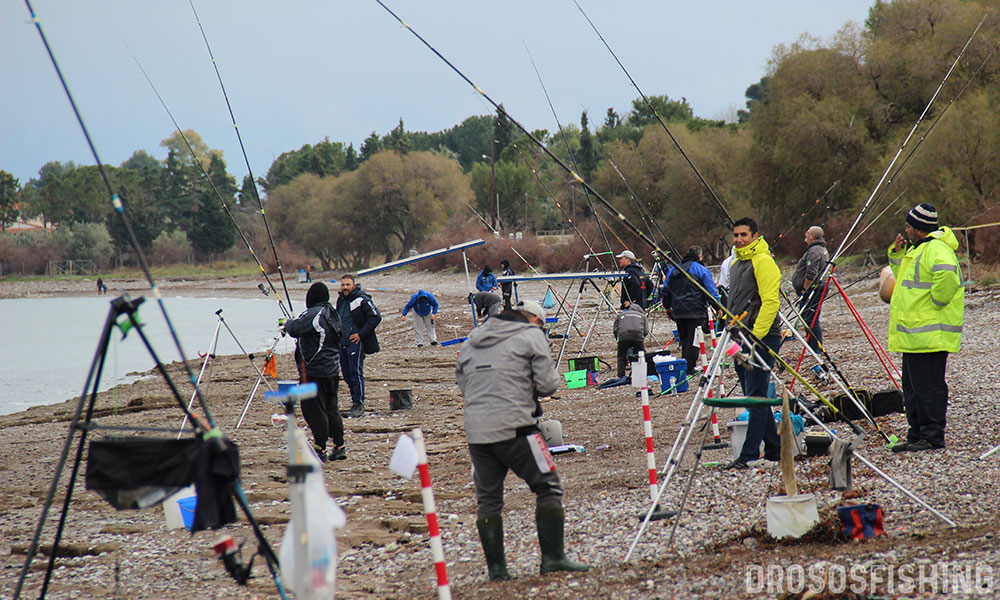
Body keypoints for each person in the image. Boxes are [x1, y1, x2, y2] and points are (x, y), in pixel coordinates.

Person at [456, 299, 589, 581]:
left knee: (488, 500)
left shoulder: (472, 340)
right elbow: (548, 385)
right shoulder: (532, 336)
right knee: (548, 485)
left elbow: (463, 384)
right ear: (535, 320)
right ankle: (552, 558)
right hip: (517, 425)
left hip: (477, 430)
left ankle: (497, 571)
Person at [887, 204, 964, 452]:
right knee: (911, 388)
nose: (906, 230)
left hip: (929, 335)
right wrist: (897, 256)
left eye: (909, 225)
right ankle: (917, 433)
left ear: (919, 228)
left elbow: (948, 277)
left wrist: (936, 302)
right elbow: (906, 280)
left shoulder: (936, 248)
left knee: (928, 388)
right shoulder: (919, 249)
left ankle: (932, 436)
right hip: (914, 336)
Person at [724, 217, 782, 470]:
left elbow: (771, 302)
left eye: (744, 235)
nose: (739, 239)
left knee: (757, 396)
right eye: (736, 235)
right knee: (752, 395)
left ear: (756, 235)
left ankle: (748, 455)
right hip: (738, 338)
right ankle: (775, 449)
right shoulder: (736, 264)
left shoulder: (764, 261)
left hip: (762, 337)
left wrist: (756, 337)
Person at [282, 282, 347, 461]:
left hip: (313, 371)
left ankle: (320, 449)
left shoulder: (314, 313)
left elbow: (295, 329)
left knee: (314, 409)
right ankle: (339, 446)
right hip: (332, 370)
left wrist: (287, 324)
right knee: (331, 408)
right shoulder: (333, 313)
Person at [661, 245, 720, 374]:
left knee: (684, 338)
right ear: (699, 256)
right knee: (694, 339)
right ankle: (689, 367)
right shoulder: (701, 270)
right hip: (696, 310)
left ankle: (684, 364)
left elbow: (665, 290)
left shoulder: (673, 270)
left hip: (678, 310)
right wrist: (718, 307)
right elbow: (711, 291)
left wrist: (667, 306)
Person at [336, 274, 381, 418]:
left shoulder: (362, 299)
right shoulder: (341, 300)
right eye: (343, 285)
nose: (345, 287)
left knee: (356, 373)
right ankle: (355, 401)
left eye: (348, 285)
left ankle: (359, 404)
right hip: (342, 343)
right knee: (347, 375)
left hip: (356, 342)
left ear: (354, 285)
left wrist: (361, 334)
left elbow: (376, 317)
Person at [791, 226, 829, 355]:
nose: (805, 234)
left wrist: (805, 290)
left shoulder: (814, 251)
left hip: (813, 290)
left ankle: (816, 349)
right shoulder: (819, 249)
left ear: (812, 236)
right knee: (808, 318)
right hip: (815, 289)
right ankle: (812, 347)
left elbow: (811, 273)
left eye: (807, 232)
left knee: (811, 319)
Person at [613, 303, 648, 379]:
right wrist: (641, 338)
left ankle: (621, 375)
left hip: (623, 336)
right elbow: (646, 331)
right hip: (637, 336)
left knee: (621, 356)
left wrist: (618, 339)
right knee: (641, 355)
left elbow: (615, 329)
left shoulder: (621, 315)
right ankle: (641, 373)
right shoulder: (642, 316)